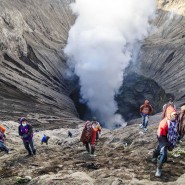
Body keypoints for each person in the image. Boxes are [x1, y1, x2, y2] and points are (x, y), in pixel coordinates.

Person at [152, 112, 178, 177]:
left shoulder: (175, 122)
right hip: (162, 137)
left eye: (176, 115)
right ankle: (159, 169)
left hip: (167, 137)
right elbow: (160, 136)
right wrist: (168, 144)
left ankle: (154, 157)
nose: (175, 117)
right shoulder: (164, 123)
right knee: (163, 153)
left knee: (159, 147)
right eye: (174, 115)